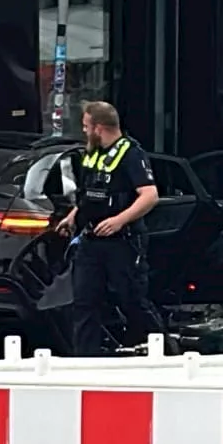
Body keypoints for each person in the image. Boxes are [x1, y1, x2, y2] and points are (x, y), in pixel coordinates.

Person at [56, 101, 165, 354]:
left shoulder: (131, 154)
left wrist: (119, 220)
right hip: (91, 240)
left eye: (86, 127)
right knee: (84, 302)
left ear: (99, 128)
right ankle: (85, 359)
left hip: (122, 241)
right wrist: (74, 215)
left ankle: (160, 351)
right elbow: (92, 195)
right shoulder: (93, 153)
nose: (84, 132)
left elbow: (150, 196)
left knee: (131, 299)